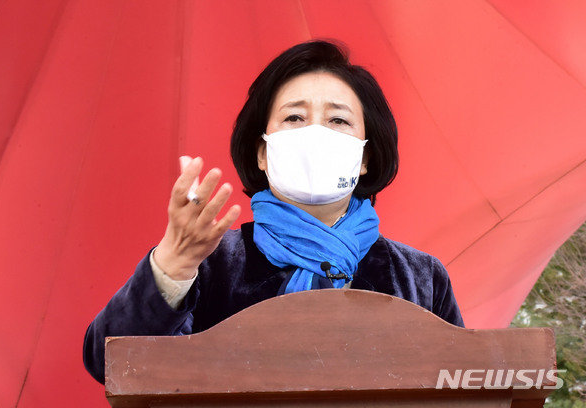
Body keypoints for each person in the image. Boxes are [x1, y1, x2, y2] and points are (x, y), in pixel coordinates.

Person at [83, 40, 465, 385]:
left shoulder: (421, 277)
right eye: (294, 118)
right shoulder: (210, 264)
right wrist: (172, 265)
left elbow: (463, 385)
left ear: (365, 156)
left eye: (338, 120)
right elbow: (109, 362)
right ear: (262, 153)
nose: (315, 133)